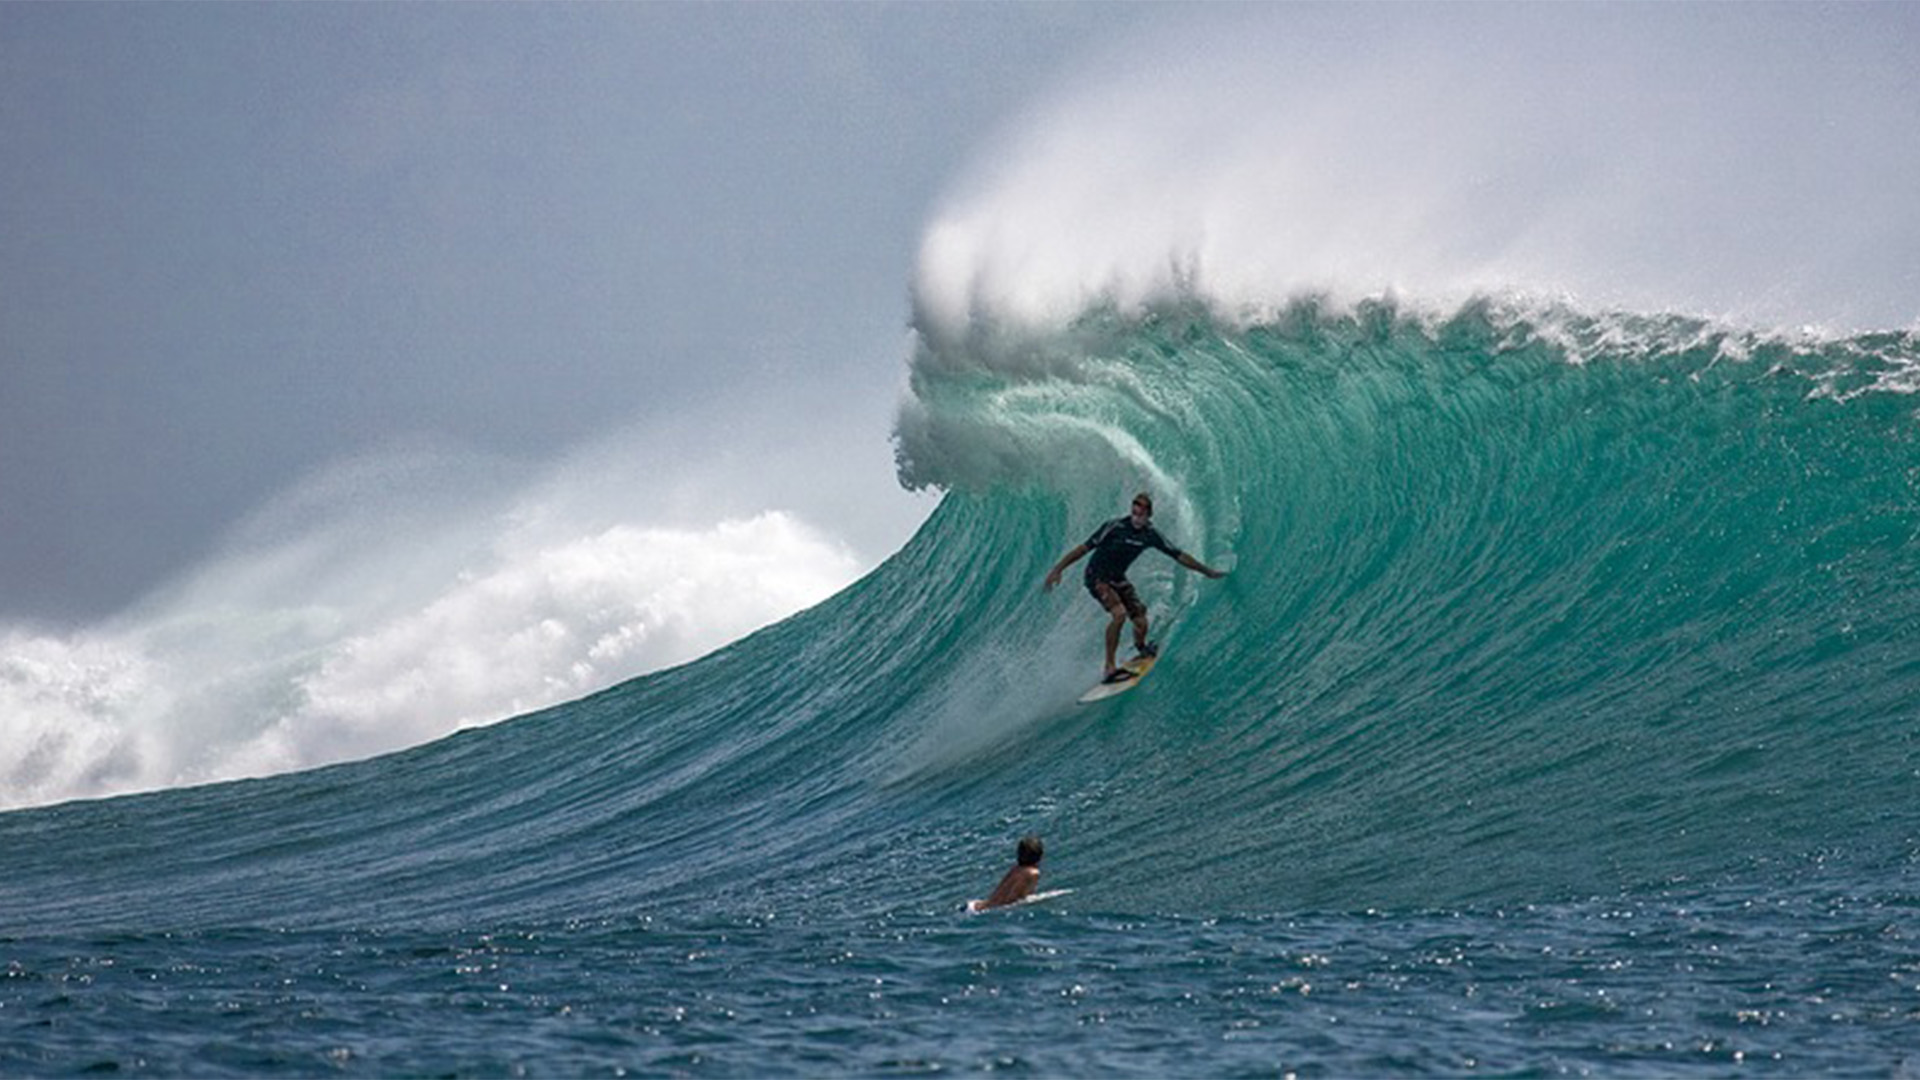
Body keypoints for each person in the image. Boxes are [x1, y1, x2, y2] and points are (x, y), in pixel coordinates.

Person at [1043, 492, 1226, 683]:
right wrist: (1058, 569)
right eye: (1134, 513)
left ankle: (1141, 648)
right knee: (1119, 614)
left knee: (1140, 619)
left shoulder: (1151, 535)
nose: (1136, 518)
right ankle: (1109, 668)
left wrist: (1206, 571)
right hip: (1097, 577)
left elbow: (1178, 555)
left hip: (1117, 578)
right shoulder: (1114, 527)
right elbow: (1083, 548)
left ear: (1149, 515)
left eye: (1141, 515)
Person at [971, 835, 1045, 911]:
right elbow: (1013, 898)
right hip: (986, 910)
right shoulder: (1032, 873)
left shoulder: (1016, 868)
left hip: (974, 906)